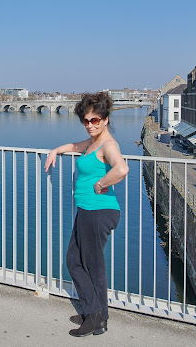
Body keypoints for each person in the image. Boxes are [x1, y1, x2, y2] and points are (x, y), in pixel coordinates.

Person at [44, 91, 129, 337]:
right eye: (86, 120)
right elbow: (72, 146)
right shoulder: (93, 143)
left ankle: (96, 318)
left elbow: (121, 169)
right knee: (76, 260)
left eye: (95, 120)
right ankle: (95, 311)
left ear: (105, 119)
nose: (90, 125)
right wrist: (54, 151)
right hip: (89, 211)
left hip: (98, 211)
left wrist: (101, 184)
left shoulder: (108, 144)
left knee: (90, 265)